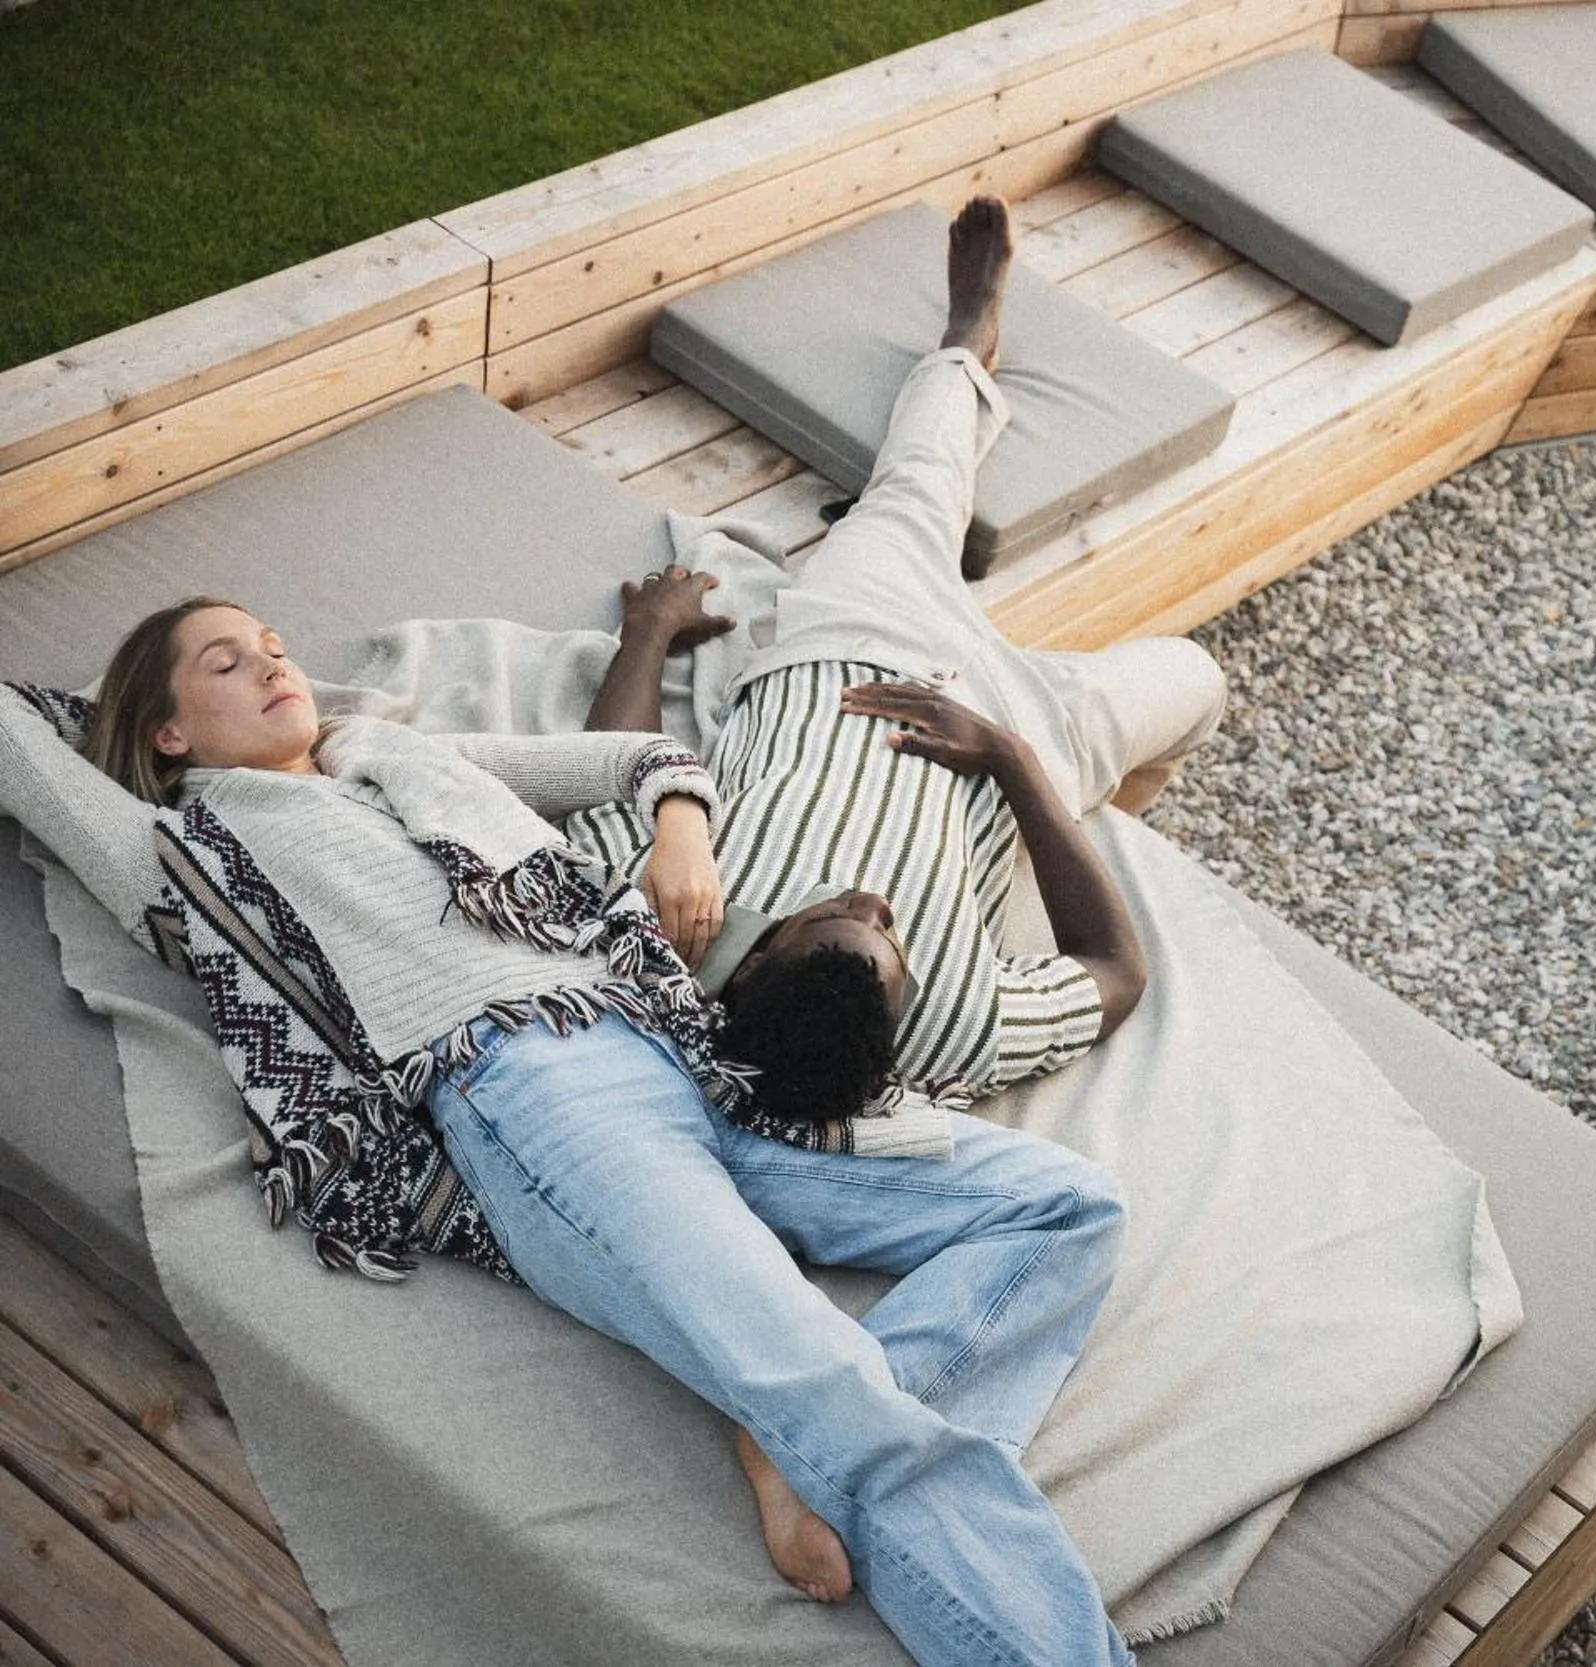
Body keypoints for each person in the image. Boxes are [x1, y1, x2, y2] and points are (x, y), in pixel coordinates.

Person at [0, 211, 1145, 1667]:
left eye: (274, 639)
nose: (274, 659)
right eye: (227, 663)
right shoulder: (188, 853)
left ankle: (777, 1437)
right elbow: (21, 750)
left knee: (1067, 1208)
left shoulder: (395, 754)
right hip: (541, 1101)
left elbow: (619, 766)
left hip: (685, 1046)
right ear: (169, 731)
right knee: (835, 1390)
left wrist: (678, 817)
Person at [560, 193, 1229, 1616]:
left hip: (865, 638)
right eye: (888, 932)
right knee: (1194, 676)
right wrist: (1019, 772)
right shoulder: (952, 1024)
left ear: (764, 949)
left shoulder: (693, 914)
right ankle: (1082, 740)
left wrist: (651, 633)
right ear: (910, 1008)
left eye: (835, 911)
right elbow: (1116, 971)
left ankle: (969, 331)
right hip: (1023, 733)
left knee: (913, 485)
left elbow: (629, 758)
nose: (869, 901)